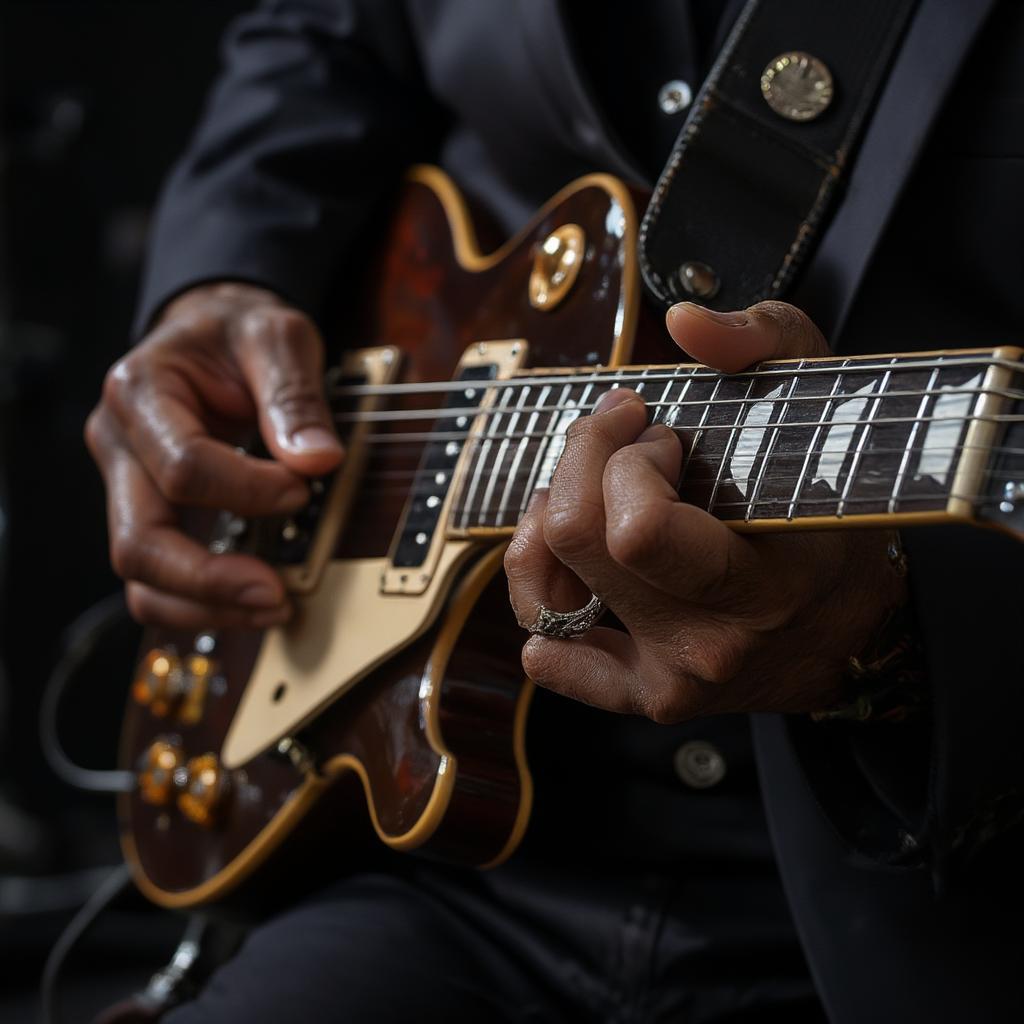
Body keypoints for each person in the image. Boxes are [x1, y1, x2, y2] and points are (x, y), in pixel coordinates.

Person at [85, 2, 1024, 1021]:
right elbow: (324, 32)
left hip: (926, 885)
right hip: (443, 859)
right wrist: (218, 276)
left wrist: (897, 638)